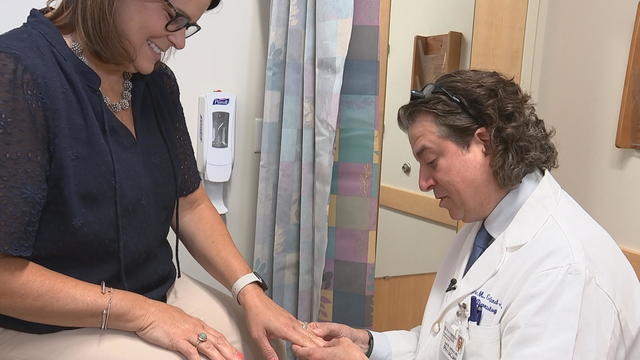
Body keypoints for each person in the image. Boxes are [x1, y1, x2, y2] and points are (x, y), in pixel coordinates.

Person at [0, 1, 323, 359]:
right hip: (47, 324)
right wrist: (143, 314)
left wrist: (250, 291)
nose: (180, 41)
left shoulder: (154, 83)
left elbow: (190, 200)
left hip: (156, 295)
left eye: (189, 25)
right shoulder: (17, 73)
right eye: (175, 18)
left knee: (263, 346)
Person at [292, 70, 640, 360]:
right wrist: (369, 345)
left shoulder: (563, 268)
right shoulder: (485, 228)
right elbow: (448, 342)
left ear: (483, 142)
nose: (423, 182)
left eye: (430, 160)